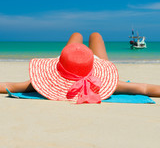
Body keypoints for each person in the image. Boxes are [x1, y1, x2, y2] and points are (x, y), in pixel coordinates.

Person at [0, 32, 160, 102]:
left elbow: (10, 86)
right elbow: (145, 88)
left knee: (77, 36)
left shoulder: (38, 83)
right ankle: (89, 36)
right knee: (95, 36)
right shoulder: (103, 83)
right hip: (88, 63)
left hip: (69, 62)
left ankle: (78, 37)